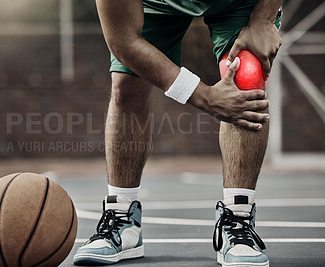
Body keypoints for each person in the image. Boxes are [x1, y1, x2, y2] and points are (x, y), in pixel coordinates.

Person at [73, 0, 282, 266]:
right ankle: (122, 215)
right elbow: (123, 42)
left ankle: (237, 219)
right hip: (157, 3)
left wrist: (263, 20)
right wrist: (205, 97)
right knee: (126, 83)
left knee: (247, 73)